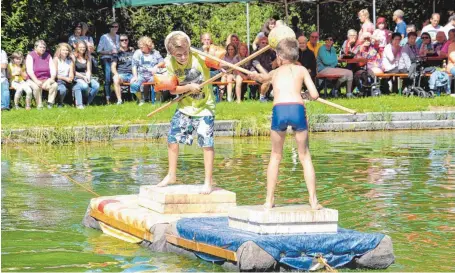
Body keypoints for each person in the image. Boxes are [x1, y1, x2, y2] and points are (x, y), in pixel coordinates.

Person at [249, 38, 321, 210]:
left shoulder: (275, 72)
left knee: (275, 156)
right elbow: (315, 94)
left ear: (279, 56)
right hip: (297, 109)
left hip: (279, 109)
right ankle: (313, 201)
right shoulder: (302, 69)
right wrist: (304, 95)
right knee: (304, 156)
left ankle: (269, 200)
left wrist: (255, 75)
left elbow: (262, 78)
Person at [157, 31, 216, 194]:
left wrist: (222, 67)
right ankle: (171, 175)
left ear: (189, 48)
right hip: (184, 107)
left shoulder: (199, 57)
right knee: (172, 139)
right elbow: (173, 90)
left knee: (206, 142)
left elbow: (219, 65)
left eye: (185, 54)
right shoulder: (169, 63)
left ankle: (208, 181)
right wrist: (189, 87)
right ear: (171, 53)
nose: (183, 58)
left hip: (205, 107)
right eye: (178, 55)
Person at [131, 36, 164, 105]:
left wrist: (156, 66)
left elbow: (162, 62)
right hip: (141, 75)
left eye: (142, 46)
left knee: (158, 82)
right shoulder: (137, 53)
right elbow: (134, 65)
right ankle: (141, 100)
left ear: (147, 45)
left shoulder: (155, 53)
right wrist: (135, 76)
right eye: (139, 46)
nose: (140, 47)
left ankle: (157, 100)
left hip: (152, 75)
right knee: (134, 84)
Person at [25, 40, 58, 109]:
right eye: (40, 47)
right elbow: (29, 71)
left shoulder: (48, 55)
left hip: (46, 79)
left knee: (54, 85)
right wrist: (36, 81)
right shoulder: (30, 55)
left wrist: (52, 79)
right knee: (36, 87)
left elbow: (52, 69)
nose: (42, 49)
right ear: (35, 47)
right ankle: (39, 105)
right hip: (32, 79)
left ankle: (50, 104)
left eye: (44, 47)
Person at [97, 21, 120, 104]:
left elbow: (120, 49)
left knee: (116, 77)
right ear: (110, 28)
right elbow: (99, 50)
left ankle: (116, 97)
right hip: (106, 59)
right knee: (107, 78)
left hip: (116, 59)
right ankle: (107, 98)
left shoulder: (118, 37)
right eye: (113, 26)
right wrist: (109, 52)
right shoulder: (104, 37)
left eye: (116, 26)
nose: (115, 28)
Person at [72, 41, 100, 109]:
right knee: (85, 86)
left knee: (96, 85)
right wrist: (83, 77)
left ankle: (87, 103)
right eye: (80, 47)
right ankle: (80, 102)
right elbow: (73, 71)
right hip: (77, 76)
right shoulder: (73, 56)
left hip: (86, 75)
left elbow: (89, 70)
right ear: (77, 48)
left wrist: (88, 76)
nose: (82, 49)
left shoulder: (88, 56)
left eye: (84, 47)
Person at [251, 36, 277, 102]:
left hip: (268, 72)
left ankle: (273, 94)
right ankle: (262, 97)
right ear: (259, 44)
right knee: (267, 80)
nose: (265, 44)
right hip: (256, 73)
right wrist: (268, 76)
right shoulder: (255, 53)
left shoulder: (270, 52)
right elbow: (258, 66)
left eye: (266, 43)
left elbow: (277, 61)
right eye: (263, 43)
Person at [112, 34, 134, 105]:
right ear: (119, 42)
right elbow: (113, 66)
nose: (124, 41)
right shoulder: (117, 53)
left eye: (126, 40)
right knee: (115, 78)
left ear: (128, 41)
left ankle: (141, 100)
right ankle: (119, 100)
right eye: (122, 40)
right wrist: (116, 75)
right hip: (121, 75)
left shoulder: (133, 52)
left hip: (132, 75)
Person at [53, 43, 74, 107]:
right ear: (59, 50)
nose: (65, 52)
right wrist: (65, 78)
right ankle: (60, 103)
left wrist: (71, 78)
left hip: (68, 80)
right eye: (63, 50)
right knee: (62, 90)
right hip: (58, 80)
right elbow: (55, 75)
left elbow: (71, 72)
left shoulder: (70, 60)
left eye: (67, 50)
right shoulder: (56, 59)